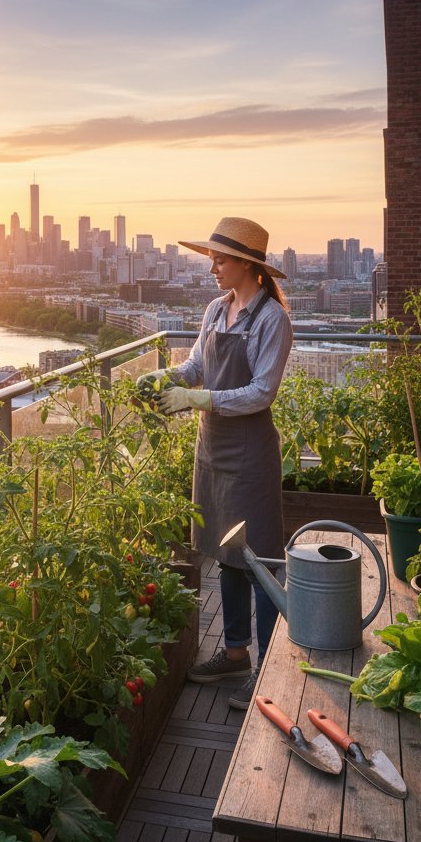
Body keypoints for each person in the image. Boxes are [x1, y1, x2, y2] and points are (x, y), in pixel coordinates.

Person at [138, 217, 293, 709]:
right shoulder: (214, 310)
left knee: (259, 559)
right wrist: (166, 378)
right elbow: (197, 366)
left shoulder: (272, 320)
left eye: (220, 261)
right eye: (212, 260)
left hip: (250, 454)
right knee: (226, 555)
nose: (213, 269)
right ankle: (235, 653)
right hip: (212, 449)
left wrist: (198, 399)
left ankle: (268, 668)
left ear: (248, 264)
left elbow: (261, 392)